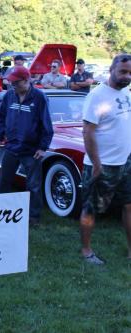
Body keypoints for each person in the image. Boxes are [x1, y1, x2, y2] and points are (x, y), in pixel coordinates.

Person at [79, 54, 131, 264]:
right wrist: (97, 165)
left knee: (129, 205)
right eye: (123, 72)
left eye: (130, 73)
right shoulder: (97, 96)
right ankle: (86, 251)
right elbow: (87, 132)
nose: (127, 77)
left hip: (126, 162)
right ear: (111, 70)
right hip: (101, 165)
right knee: (91, 208)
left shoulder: (127, 91)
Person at [0, 66, 54, 226]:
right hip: (11, 147)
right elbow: (2, 116)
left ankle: (33, 218)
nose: (12, 85)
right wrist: (0, 137)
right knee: (3, 182)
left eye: (15, 82)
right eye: (11, 82)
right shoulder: (9, 95)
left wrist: (43, 147)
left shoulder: (39, 97)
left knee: (33, 185)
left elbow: (46, 124)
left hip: (31, 150)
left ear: (26, 81)